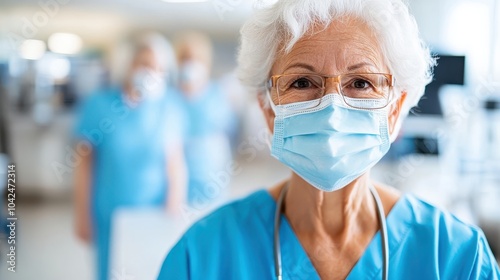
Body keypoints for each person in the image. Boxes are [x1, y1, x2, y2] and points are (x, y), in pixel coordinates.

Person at [157, 0, 500, 279]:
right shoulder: (202, 257)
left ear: (394, 110)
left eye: (361, 82)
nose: (333, 108)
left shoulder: (457, 258)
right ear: (269, 110)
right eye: (302, 82)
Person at [74, 33, 187, 280]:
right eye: (145, 65)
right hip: (110, 211)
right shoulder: (100, 104)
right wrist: (82, 213)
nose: (151, 73)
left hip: (154, 211)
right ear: (129, 65)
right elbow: (84, 163)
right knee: (112, 271)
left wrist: (175, 207)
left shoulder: (169, 106)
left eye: (158, 68)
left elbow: (175, 162)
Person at [173, 32, 236, 210]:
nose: (190, 62)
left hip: (210, 169)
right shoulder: (169, 96)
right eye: (185, 57)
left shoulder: (218, 93)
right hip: (176, 171)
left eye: (195, 58)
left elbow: (228, 128)